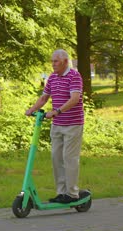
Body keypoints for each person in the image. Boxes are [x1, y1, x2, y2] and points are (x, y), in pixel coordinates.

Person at [25, 49, 84, 204]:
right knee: (56, 158)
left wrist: (57, 111)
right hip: (57, 125)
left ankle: (72, 194)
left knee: (69, 158)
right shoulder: (52, 78)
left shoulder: (74, 76)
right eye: (52, 61)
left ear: (65, 61)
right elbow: (44, 97)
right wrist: (32, 109)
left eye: (55, 61)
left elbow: (75, 99)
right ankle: (61, 193)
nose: (53, 64)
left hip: (73, 124)